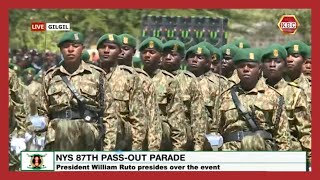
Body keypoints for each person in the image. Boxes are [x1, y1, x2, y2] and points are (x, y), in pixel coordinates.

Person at [37, 31, 119, 151]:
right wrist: (39, 141)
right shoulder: (50, 76)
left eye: (75, 46)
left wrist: (108, 149)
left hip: (87, 140)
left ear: (82, 49)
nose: (70, 50)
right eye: (66, 46)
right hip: (57, 139)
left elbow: (109, 115)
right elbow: (41, 112)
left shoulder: (97, 75)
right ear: (60, 50)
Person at [211, 48, 292, 151]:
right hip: (230, 152)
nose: (246, 69)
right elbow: (215, 131)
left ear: (259, 69)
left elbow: (282, 136)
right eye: (241, 66)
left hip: (261, 153)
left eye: (251, 66)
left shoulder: (274, 97)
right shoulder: (224, 96)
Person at [261, 43, 311, 162]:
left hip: (288, 151)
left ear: (284, 66)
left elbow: (305, 131)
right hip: (258, 149)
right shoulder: (254, 91)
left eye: (277, 62)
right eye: (268, 61)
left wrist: (311, 159)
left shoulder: (295, 93)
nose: (272, 66)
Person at [97, 33, 146, 151]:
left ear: (119, 52)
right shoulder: (89, 76)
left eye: (112, 48)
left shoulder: (130, 78)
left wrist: (135, 151)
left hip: (121, 140)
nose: (107, 51)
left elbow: (138, 119)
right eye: (103, 47)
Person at [140, 37, 187, 151]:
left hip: (161, 135)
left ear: (160, 56)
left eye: (151, 52)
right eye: (144, 52)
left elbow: (176, 117)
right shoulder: (133, 77)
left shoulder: (169, 81)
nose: (147, 55)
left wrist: (178, 149)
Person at [118, 33, 162, 151]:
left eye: (126, 49)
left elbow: (152, 117)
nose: (121, 52)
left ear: (133, 52)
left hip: (132, 137)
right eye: (119, 48)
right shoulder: (102, 76)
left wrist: (153, 149)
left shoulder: (142, 78)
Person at [162, 40, 206, 151]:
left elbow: (198, 116)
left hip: (183, 136)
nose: (168, 57)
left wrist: (198, 145)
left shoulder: (189, 80)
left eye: (173, 55)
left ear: (182, 58)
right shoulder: (152, 79)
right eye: (165, 54)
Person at [284, 40, 311, 112]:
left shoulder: (309, 87)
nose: (290, 59)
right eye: (287, 56)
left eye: (295, 56)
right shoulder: (274, 84)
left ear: (304, 60)